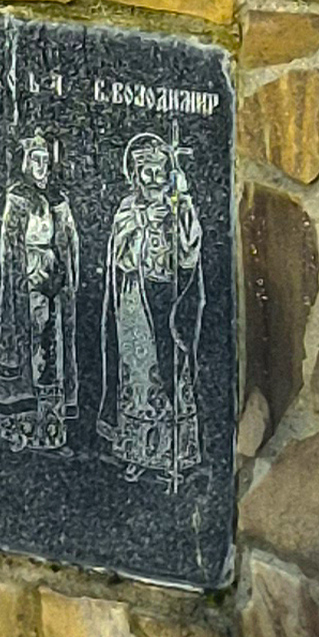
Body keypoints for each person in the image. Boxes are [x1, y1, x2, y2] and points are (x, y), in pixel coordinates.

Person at [100, 130, 205, 483]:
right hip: (137, 300)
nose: (155, 178)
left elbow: (191, 248)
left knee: (174, 370)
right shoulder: (128, 209)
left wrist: (183, 203)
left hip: (171, 295)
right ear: (134, 173)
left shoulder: (177, 203)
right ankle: (138, 452)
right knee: (143, 376)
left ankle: (176, 452)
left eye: (160, 170)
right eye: (147, 171)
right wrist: (146, 222)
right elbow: (122, 255)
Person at [0, 127, 79, 452]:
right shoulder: (17, 198)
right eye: (35, 159)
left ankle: (50, 434)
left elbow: (68, 241)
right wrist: (28, 277)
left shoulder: (57, 199)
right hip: (27, 287)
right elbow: (9, 247)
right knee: (27, 356)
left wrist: (62, 276)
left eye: (45, 160)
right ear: (25, 162)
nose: (41, 166)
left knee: (50, 358)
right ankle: (20, 433)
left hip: (52, 285)